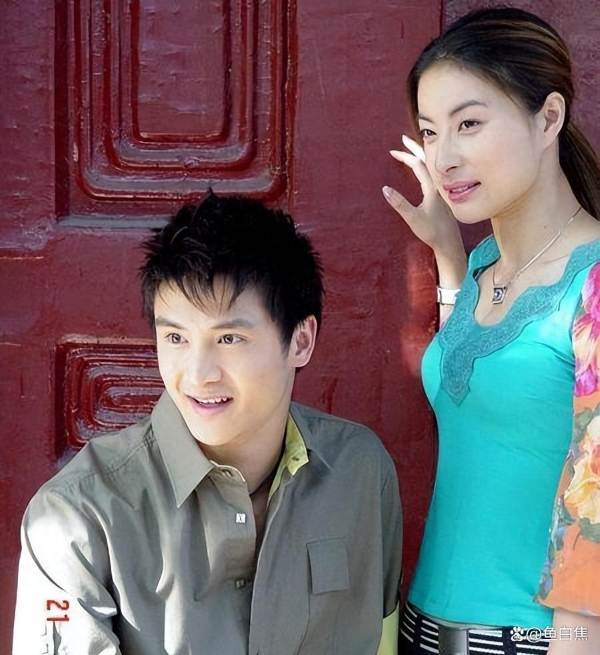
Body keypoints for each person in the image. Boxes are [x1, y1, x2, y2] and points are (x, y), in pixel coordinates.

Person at [12, 192, 402, 654]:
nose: (197, 375)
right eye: (176, 337)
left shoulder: (360, 472)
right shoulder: (75, 516)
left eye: (229, 338)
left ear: (300, 341)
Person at [382, 7, 600, 655]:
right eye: (430, 131)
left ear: (548, 118)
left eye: (469, 124)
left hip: (532, 641)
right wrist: (450, 257)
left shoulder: (594, 285)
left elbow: (596, 520)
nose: (443, 157)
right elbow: (479, 387)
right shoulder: (483, 267)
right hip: (420, 630)